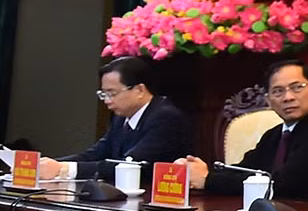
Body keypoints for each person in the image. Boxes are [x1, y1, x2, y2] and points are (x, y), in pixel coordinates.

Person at [182, 59, 308, 201]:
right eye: (278, 91)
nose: (288, 97)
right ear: (269, 100)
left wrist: (209, 180)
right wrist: (199, 171)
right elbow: (245, 169)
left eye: (297, 87)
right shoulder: (274, 134)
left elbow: (282, 184)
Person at [38, 57, 194, 180]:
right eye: (103, 94)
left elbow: (129, 166)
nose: (107, 100)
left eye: (112, 94)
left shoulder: (166, 117)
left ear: (139, 90)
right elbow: (96, 153)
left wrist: (64, 169)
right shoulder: (121, 117)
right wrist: (52, 163)